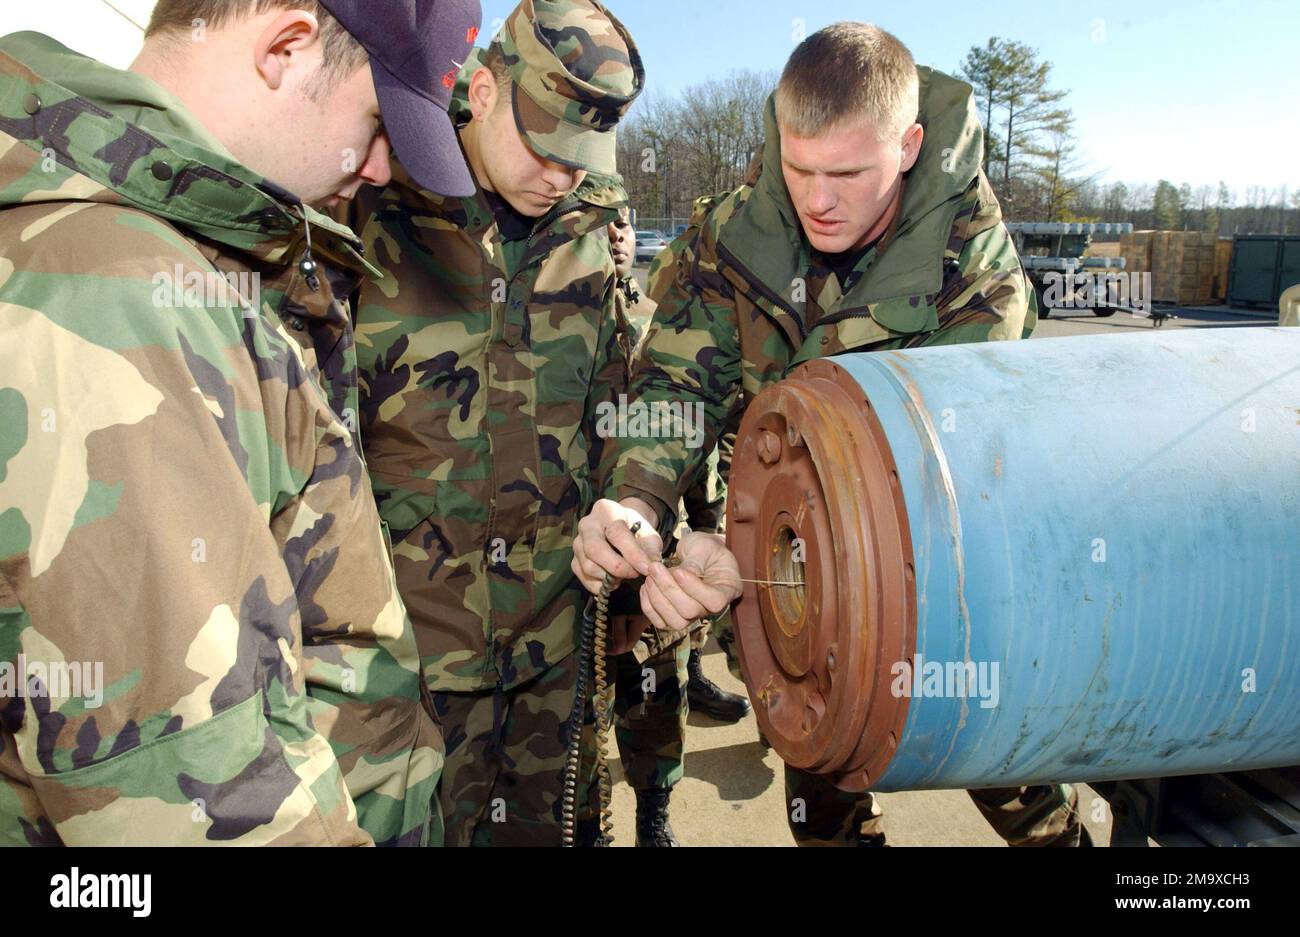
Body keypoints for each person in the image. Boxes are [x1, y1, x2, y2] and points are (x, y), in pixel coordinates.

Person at [574, 22, 1086, 847]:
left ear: (911, 145)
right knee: (822, 786)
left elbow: (947, 470)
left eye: (847, 173)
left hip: (948, 593)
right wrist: (638, 500)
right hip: (803, 595)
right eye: (799, 165)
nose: (816, 199)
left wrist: (780, 547)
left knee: (1014, 786)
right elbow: (674, 382)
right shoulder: (732, 235)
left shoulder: (972, 268)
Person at [0, 0, 480, 846]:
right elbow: (200, 798)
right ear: (285, 49)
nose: (377, 171)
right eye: (376, 124)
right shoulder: (119, 295)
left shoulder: (179, 251)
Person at [344, 0, 646, 846]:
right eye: (546, 147)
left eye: (581, 159)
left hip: (555, 645)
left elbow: (619, 398)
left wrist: (633, 511)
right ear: (483, 88)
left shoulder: (592, 229)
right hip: (411, 666)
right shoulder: (373, 207)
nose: (560, 176)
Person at [604, 208, 749, 846]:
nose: (614, 234)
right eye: (600, 223)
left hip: (653, 540)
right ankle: (587, 824)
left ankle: (653, 812)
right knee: (575, 717)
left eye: (623, 223)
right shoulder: (532, 313)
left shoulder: (655, 312)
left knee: (657, 692)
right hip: (577, 550)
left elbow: (691, 428)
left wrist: (705, 520)